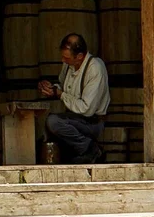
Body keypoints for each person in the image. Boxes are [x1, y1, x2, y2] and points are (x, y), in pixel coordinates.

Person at [37, 32, 110, 164]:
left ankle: (90, 149)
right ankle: (79, 152)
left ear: (80, 56)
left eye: (66, 58)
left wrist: (60, 94)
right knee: (49, 126)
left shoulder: (95, 68)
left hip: (92, 122)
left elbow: (86, 109)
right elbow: (64, 87)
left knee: (54, 121)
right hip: (74, 119)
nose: (63, 61)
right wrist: (51, 89)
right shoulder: (69, 65)